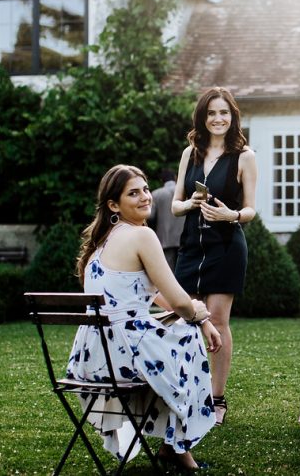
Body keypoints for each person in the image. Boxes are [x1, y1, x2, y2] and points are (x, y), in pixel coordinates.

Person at [67, 164, 222, 471]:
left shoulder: (100, 243)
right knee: (187, 337)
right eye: (133, 193)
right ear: (114, 204)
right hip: (123, 356)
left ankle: (172, 446)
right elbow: (179, 299)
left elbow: (152, 295)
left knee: (180, 330)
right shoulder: (141, 236)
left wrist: (196, 317)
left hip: (92, 359)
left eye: (146, 189)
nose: (144, 197)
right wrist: (200, 316)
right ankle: (179, 447)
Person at [172, 86, 257, 426]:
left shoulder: (245, 156)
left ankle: (217, 400)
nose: (218, 119)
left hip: (226, 246)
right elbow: (175, 205)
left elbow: (251, 208)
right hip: (191, 246)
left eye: (224, 112)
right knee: (186, 319)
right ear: (202, 118)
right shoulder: (189, 153)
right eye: (212, 113)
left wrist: (231, 215)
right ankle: (189, 392)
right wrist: (190, 205)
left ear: (232, 116)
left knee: (218, 321)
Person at [149, 168, 184, 271]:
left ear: (162, 180)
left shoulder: (156, 194)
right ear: (175, 178)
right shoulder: (185, 191)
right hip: (184, 238)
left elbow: (150, 216)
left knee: (168, 272)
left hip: (165, 239)